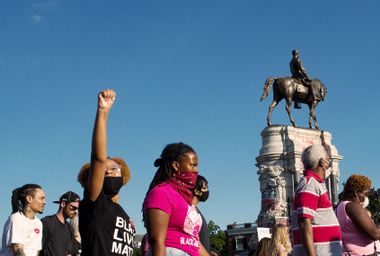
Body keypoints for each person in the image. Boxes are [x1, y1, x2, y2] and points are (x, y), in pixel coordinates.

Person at [77, 89, 135, 256]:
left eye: (114, 169)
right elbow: (98, 158)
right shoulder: (95, 201)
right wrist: (103, 112)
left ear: (123, 176)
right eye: (104, 170)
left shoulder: (122, 213)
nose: (109, 171)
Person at [143, 143, 209, 256]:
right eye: (192, 166)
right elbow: (157, 241)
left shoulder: (184, 197)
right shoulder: (161, 193)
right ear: (176, 165)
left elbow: (193, 240)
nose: (196, 171)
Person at [291, 144, 342, 256]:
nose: (329, 164)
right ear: (322, 162)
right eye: (328, 160)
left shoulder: (313, 184)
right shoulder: (309, 184)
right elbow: (304, 222)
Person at [336, 174, 380, 256]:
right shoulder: (352, 206)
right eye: (365, 194)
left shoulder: (340, 207)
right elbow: (375, 234)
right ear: (356, 193)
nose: (365, 198)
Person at [0, 184, 46, 256]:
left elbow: (36, 251)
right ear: (29, 199)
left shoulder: (38, 223)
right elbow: (18, 249)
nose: (44, 202)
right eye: (41, 198)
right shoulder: (16, 218)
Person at [40, 191, 81, 256]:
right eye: (73, 207)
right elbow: (36, 248)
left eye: (77, 209)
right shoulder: (46, 222)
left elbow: (71, 253)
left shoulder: (70, 228)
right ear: (63, 204)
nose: (76, 211)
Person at [192, 175, 211, 254]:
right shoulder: (189, 212)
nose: (207, 190)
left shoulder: (196, 211)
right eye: (204, 188)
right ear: (196, 191)